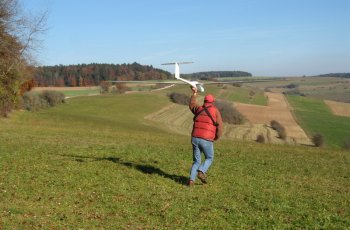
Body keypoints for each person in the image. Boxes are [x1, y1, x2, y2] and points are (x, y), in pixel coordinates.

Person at [188, 87, 223, 186]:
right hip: (206, 139)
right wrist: (216, 137)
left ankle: (191, 180)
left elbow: (191, 105)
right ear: (213, 102)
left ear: (204, 101)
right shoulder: (215, 111)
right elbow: (220, 127)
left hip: (195, 138)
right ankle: (201, 171)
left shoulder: (199, 109)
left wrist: (194, 94)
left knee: (196, 161)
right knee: (209, 158)